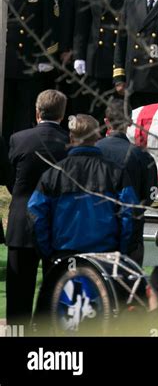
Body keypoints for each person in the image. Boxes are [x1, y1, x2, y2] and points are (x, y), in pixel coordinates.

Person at [28, 114, 138, 260]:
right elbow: (129, 213)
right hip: (105, 256)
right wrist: (122, 251)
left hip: (63, 254)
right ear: (97, 137)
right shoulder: (115, 173)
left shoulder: (53, 174)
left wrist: (47, 251)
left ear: (71, 138)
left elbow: (36, 213)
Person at [6, 90, 69, 325]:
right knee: (52, 295)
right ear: (62, 115)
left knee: (17, 301)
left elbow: (12, 178)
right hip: (57, 224)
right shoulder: (68, 143)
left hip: (22, 223)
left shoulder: (18, 139)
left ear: (36, 111)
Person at [3, 0, 60, 140]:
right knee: (4, 113)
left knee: (25, 115)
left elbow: (50, 23)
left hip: (30, 59)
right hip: (4, 59)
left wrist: (46, 57)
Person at [96, 98, 158, 265]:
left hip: (97, 226)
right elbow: (150, 196)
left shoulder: (93, 151)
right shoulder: (142, 156)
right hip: (132, 229)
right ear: (130, 122)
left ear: (106, 122)